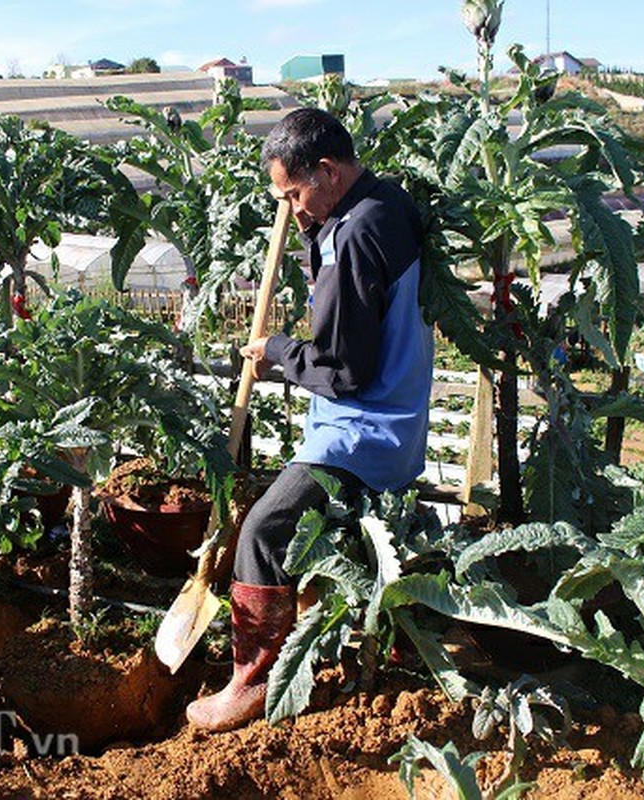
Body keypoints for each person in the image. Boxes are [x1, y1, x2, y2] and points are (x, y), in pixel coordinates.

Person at [186, 107, 434, 732]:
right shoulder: (386, 204)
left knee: (264, 531)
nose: (291, 209)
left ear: (326, 171)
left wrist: (276, 353)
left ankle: (254, 681)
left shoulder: (351, 238)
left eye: (294, 194)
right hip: (396, 424)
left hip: (362, 434)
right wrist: (310, 230)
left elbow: (344, 368)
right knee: (308, 536)